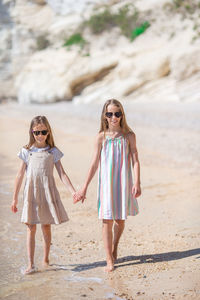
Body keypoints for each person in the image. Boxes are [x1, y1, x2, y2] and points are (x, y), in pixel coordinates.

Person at [75, 99, 141, 272]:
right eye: (110, 114)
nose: (114, 117)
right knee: (106, 221)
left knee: (120, 220)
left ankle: (115, 245)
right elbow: (94, 164)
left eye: (117, 113)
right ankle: (109, 259)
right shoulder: (101, 137)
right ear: (105, 116)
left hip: (122, 182)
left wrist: (137, 182)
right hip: (106, 184)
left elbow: (135, 160)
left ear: (122, 115)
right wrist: (84, 187)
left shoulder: (129, 136)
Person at [11, 116, 77, 275]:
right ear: (31, 132)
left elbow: (62, 174)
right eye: (36, 132)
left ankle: (46, 258)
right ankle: (31, 264)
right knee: (31, 227)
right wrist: (14, 198)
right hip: (31, 193)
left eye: (43, 132)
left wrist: (73, 191)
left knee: (46, 226)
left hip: (47, 192)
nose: (40, 135)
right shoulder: (27, 151)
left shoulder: (52, 151)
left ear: (48, 132)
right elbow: (20, 175)